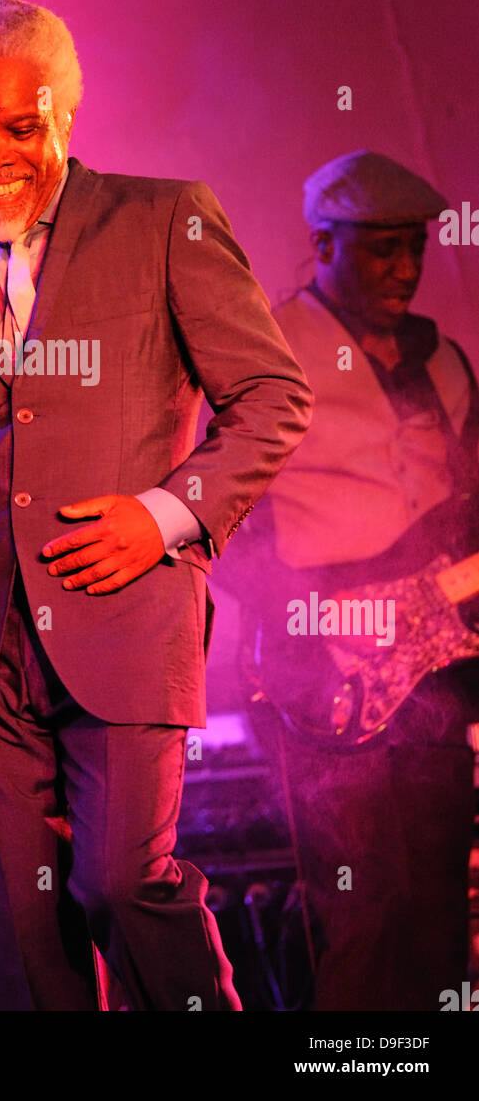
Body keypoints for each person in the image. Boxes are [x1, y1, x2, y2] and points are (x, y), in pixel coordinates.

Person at [0, 0, 313, 1011]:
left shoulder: (163, 219)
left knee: (118, 883)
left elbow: (274, 396)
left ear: (65, 117)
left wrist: (166, 513)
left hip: (123, 612)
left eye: (20, 126)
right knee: (21, 930)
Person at [220, 150, 479, 1011]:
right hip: (320, 660)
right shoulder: (266, 352)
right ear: (321, 244)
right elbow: (219, 524)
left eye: (414, 247)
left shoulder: (444, 361)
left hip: (438, 663)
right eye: (380, 249)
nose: (406, 268)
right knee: (362, 910)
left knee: (440, 905)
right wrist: (307, 626)